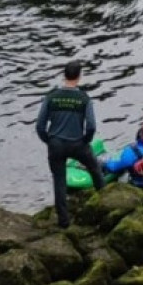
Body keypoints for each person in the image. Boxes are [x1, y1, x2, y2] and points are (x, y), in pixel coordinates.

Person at [36, 60, 105, 229]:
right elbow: (91, 126)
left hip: (56, 144)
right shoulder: (83, 98)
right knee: (95, 169)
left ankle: (64, 221)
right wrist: (86, 141)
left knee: (59, 181)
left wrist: (49, 140)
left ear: (64, 75)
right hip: (78, 144)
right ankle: (104, 204)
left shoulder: (51, 97)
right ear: (79, 76)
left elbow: (39, 126)